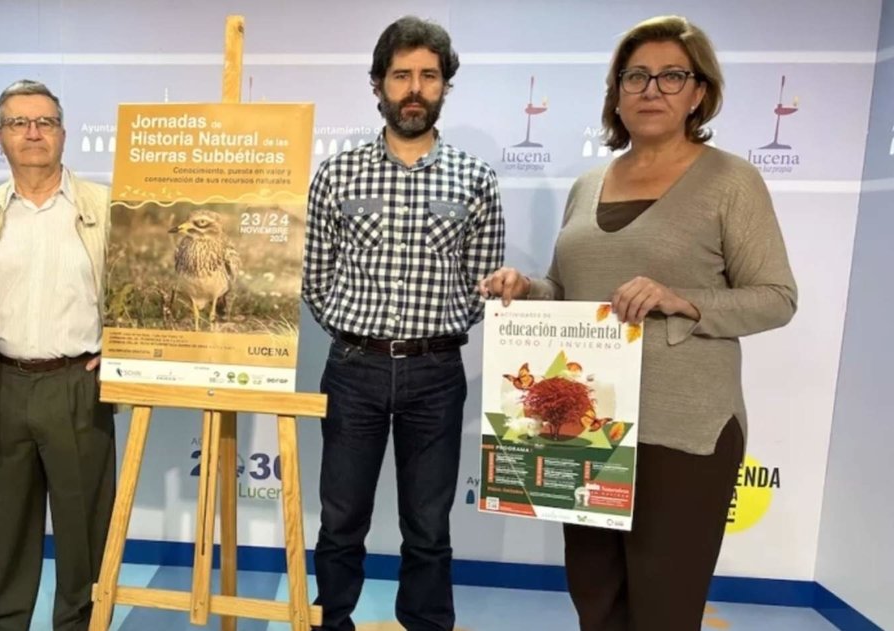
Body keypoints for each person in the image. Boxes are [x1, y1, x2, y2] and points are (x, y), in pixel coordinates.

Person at [478, 15, 797, 631]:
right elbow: (571, 293)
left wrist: (682, 298)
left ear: (699, 92)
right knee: (595, 600)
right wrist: (527, 289)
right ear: (617, 93)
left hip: (684, 431)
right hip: (586, 432)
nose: (652, 89)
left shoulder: (731, 181)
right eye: (636, 76)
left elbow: (777, 297)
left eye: (671, 76)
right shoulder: (589, 183)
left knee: (664, 609)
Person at [301, 16, 505, 631]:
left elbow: (481, 284)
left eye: (428, 75)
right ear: (378, 85)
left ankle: (427, 624)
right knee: (340, 521)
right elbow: (315, 278)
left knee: (428, 526)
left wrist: (432, 333)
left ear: (444, 86)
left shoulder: (475, 178)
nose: (414, 88)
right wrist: (358, 330)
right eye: (401, 75)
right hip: (353, 369)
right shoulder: (338, 174)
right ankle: (332, 620)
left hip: (437, 373)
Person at [0, 80, 115, 631]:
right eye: (19, 123)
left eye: (44, 122)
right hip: (1, 386)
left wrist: (124, 345)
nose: (33, 132)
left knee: (84, 532)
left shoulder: (106, 208)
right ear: (1, 138)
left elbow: (139, 291)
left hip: (78, 385)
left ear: (63, 133)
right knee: (5, 532)